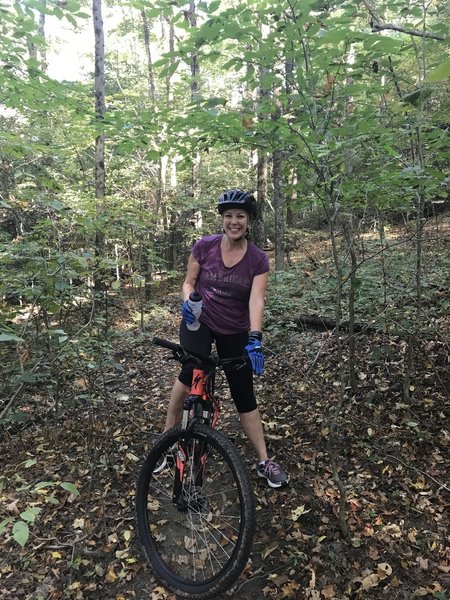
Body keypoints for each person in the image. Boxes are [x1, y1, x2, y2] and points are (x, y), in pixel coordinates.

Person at [160, 188, 288, 489]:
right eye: (229, 216)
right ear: (222, 219)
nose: (234, 221)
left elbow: (256, 300)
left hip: (234, 329)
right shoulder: (204, 246)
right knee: (192, 372)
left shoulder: (257, 259)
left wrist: (255, 337)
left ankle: (263, 460)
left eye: (240, 216)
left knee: (243, 392)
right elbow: (189, 281)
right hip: (199, 323)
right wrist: (189, 301)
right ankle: (167, 439)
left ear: (249, 221)